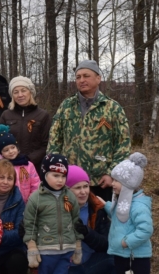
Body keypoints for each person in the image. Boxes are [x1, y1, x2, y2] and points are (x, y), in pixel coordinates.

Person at [47, 60, 130, 201]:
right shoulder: (66, 106)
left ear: (98, 78)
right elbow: (54, 140)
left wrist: (111, 174)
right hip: (70, 180)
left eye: (86, 76)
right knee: (72, 220)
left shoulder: (112, 108)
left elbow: (123, 145)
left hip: (101, 181)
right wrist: (55, 171)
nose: (82, 80)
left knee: (100, 220)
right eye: (78, 77)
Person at [24, 154, 83, 274]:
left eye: (63, 176)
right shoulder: (36, 198)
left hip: (66, 249)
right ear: (44, 174)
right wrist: (32, 246)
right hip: (45, 250)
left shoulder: (70, 197)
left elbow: (76, 221)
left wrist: (77, 244)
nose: (60, 180)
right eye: (55, 175)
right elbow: (30, 224)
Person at [107, 153, 158, 274]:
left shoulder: (138, 206)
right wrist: (104, 205)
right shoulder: (122, 201)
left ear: (128, 184)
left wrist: (127, 242)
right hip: (122, 255)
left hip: (137, 257)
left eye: (116, 181)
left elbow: (145, 230)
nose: (112, 184)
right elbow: (118, 215)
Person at [66, 165, 119, 274]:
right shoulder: (56, 208)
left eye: (86, 186)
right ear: (67, 190)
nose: (83, 191)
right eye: (77, 188)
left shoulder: (96, 207)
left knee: (122, 257)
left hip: (90, 262)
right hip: (68, 267)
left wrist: (88, 233)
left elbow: (107, 243)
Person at [0, 76, 51, 174]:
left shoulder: (43, 116)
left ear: (30, 92)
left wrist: (28, 159)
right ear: (12, 95)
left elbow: (46, 144)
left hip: (34, 168)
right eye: (16, 92)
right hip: (9, 168)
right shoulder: (6, 115)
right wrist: (8, 157)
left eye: (23, 90)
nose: (20, 95)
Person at [0, 124, 40, 202]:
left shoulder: (28, 165)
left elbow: (35, 184)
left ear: (17, 147)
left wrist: (32, 200)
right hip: (8, 204)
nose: (11, 151)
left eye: (13, 147)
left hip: (27, 203)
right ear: (1, 153)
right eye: (6, 150)